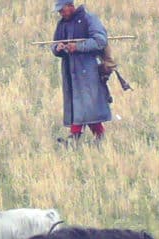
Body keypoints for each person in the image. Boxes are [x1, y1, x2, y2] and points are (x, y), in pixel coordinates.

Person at [52, 1, 111, 143]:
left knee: (86, 104)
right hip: (69, 71)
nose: (61, 13)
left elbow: (100, 41)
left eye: (63, 10)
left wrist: (78, 47)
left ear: (70, 6)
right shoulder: (62, 24)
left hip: (88, 70)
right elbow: (53, 45)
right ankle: (99, 136)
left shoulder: (89, 19)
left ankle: (75, 137)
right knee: (79, 104)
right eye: (59, 11)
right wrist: (57, 48)